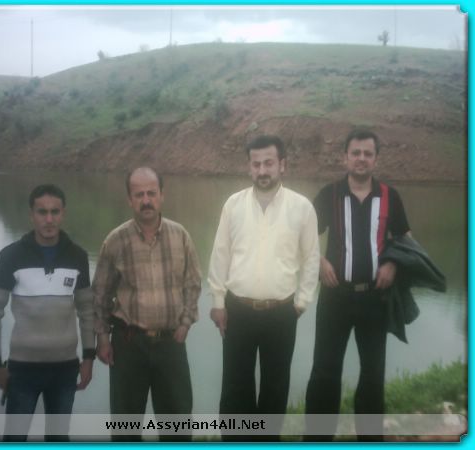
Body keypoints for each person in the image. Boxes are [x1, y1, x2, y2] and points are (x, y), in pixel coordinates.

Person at [208, 135, 320, 440]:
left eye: (268, 163)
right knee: (235, 386)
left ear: (282, 165)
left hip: (282, 312)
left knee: (275, 386)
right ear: (249, 167)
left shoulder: (301, 207)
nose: (262, 170)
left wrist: (302, 302)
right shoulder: (233, 205)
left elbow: (311, 258)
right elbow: (220, 254)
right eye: (256, 164)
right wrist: (218, 301)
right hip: (238, 310)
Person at [304, 129, 411, 441]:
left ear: (376, 159)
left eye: (367, 153)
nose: (361, 158)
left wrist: (393, 264)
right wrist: (319, 262)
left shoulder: (390, 196)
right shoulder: (329, 194)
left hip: (375, 299)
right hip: (335, 297)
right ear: (345, 157)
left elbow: (406, 240)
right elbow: (303, 236)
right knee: (324, 371)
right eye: (356, 153)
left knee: (373, 373)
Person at [93, 167, 201, 441]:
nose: (146, 200)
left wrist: (186, 323)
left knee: (177, 425)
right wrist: (103, 338)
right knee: (125, 427)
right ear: (129, 199)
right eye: (139, 194)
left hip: (171, 343)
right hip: (129, 343)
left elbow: (193, 284)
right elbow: (100, 295)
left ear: (162, 195)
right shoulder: (115, 240)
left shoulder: (180, 236)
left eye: (151, 193)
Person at [0, 184, 95, 441]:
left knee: (58, 438)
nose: (49, 219)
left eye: (55, 212)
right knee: (15, 438)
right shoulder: (10, 256)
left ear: (63, 213)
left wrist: (88, 358)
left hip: (65, 369)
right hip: (22, 369)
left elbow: (87, 311)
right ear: (31, 215)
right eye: (42, 212)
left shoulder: (78, 257)